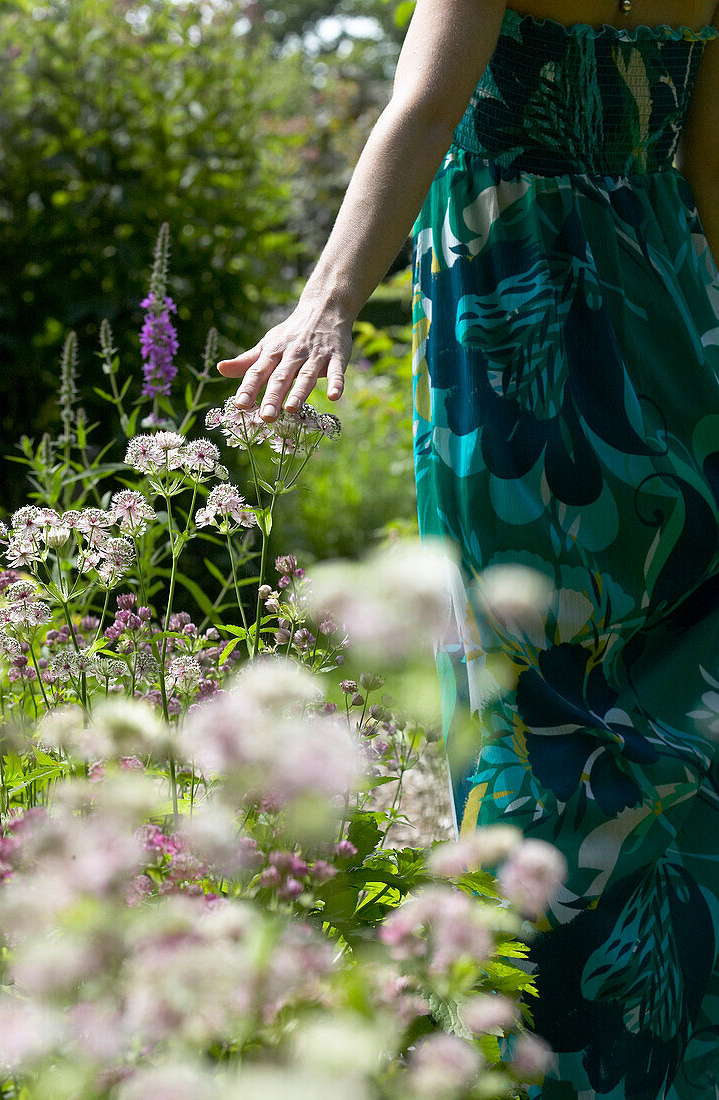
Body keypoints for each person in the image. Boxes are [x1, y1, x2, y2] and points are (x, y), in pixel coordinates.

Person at [218, 2, 719, 1095]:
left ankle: (548, 1061)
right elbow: (709, 177)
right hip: (677, 332)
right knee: (694, 703)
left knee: (526, 701)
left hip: (517, 348)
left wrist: (328, 299)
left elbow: (426, 105)